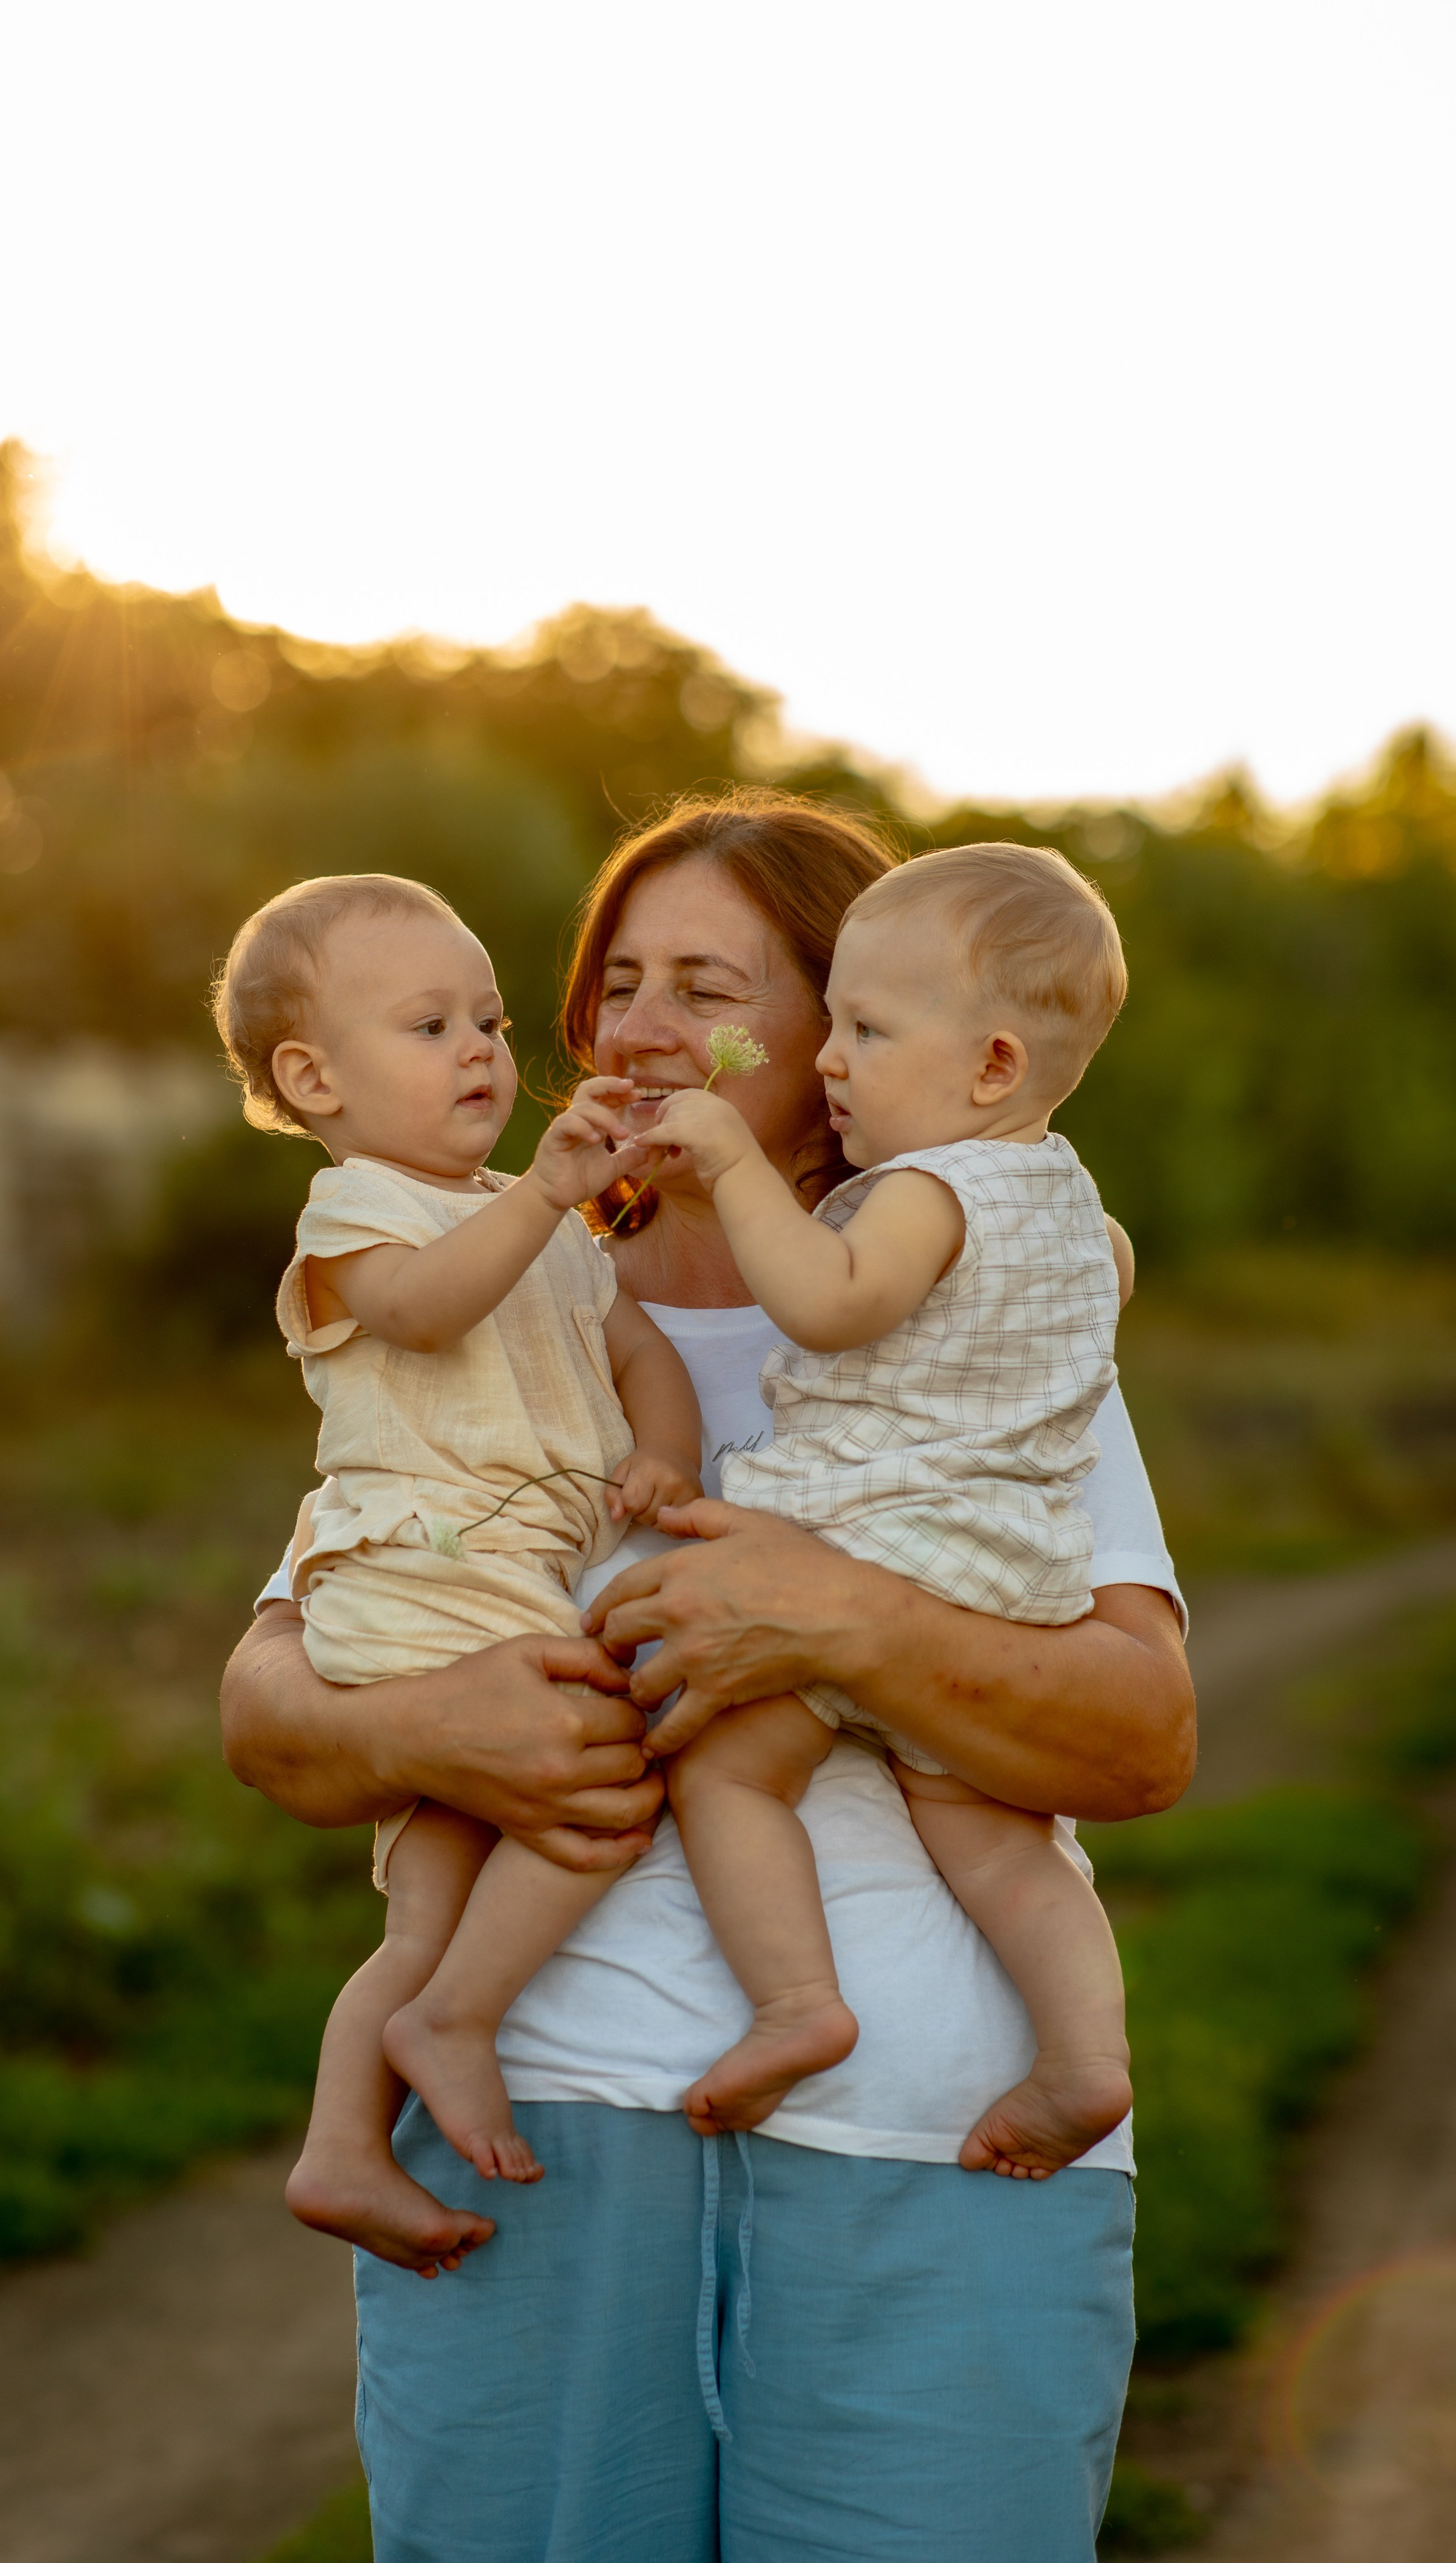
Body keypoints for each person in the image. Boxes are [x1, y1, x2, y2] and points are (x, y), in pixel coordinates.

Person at [222, 790, 1195, 2562]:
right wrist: (432, 1727)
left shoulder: (988, 1321)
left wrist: (839, 1622)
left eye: (711, 989)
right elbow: (274, 1711)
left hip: (930, 2147)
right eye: (618, 983)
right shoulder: (492, 1301)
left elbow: (1143, 1739)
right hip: (540, 2150)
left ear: (838, 1036)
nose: (644, 1028)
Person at [209, 871, 703, 2256]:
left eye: (488, 1021)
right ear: (313, 1079)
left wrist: (663, 1455)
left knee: (427, 1909)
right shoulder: (358, 1212)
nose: (481, 1051)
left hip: (501, 1574)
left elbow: (635, 1349)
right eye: (429, 1027)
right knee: (608, 1774)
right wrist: (547, 1194)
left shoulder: (534, 1218)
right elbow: (425, 1313)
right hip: (428, 1570)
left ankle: (342, 2148)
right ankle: (458, 2022)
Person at [643, 842, 1134, 2175]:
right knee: (999, 1842)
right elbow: (1088, 1314)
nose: (832, 1060)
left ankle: (798, 2003)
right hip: (1011, 1573)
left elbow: (830, 1301)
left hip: (878, 1541)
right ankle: (1085, 2059)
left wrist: (731, 1163)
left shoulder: (926, 1190)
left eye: (865, 1030)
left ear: (991, 1067)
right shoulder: (1078, 1206)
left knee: (726, 1767)